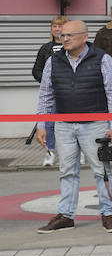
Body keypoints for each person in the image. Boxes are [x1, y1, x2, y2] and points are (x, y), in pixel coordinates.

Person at [34, 19, 112, 234]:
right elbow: (45, 95)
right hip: (64, 125)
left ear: (84, 37)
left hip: (96, 124)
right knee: (66, 171)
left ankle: (109, 214)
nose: (64, 39)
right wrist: (41, 124)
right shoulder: (53, 61)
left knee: (101, 170)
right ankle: (66, 215)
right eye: (62, 35)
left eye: (69, 35)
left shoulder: (103, 60)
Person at [33, 14, 67, 167]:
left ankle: (77, 152)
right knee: (49, 124)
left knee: (74, 122)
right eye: (54, 26)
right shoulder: (45, 48)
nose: (57, 29)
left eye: (60, 26)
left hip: (70, 92)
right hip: (52, 94)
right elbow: (36, 70)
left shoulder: (73, 46)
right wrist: (47, 81)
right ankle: (50, 152)